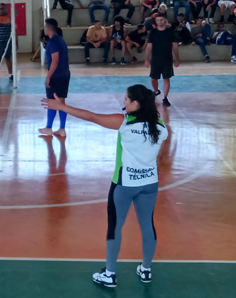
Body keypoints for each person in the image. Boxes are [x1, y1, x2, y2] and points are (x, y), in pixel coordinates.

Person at [41, 84, 167, 287]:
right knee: (147, 226)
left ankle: (110, 274)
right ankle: (146, 269)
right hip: (150, 183)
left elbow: (91, 116)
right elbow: (158, 157)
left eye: (126, 99)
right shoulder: (161, 126)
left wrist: (62, 106)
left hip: (124, 185)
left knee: (115, 228)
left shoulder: (124, 123)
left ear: (135, 103)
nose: (123, 101)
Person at [39, 18, 70, 138]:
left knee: (52, 102)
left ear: (48, 28)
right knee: (61, 102)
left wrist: (48, 77)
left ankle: (48, 128)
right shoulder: (61, 40)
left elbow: (55, 61)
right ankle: (62, 129)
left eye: (45, 27)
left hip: (56, 76)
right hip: (65, 74)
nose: (44, 29)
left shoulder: (53, 42)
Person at [145, 13, 179, 107]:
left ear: (165, 20)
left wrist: (177, 58)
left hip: (167, 59)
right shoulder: (153, 32)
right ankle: (156, 91)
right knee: (153, 78)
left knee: (166, 79)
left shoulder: (170, 32)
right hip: (155, 59)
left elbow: (175, 46)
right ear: (155, 21)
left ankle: (165, 97)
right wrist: (147, 59)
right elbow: (149, 46)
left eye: (161, 20)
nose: (159, 22)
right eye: (157, 20)